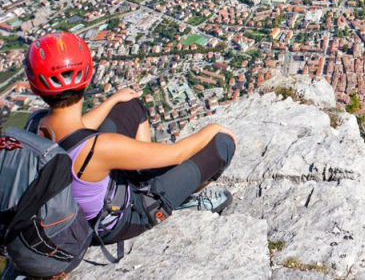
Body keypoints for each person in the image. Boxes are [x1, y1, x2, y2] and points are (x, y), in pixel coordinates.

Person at [24, 31, 236, 245]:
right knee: (222, 144)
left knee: (129, 104)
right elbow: (178, 153)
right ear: (88, 74)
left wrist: (113, 100)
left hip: (89, 197)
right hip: (120, 219)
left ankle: (146, 173)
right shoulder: (100, 148)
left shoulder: (35, 124)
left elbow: (75, 132)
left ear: (35, 85)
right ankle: (179, 197)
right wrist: (212, 128)